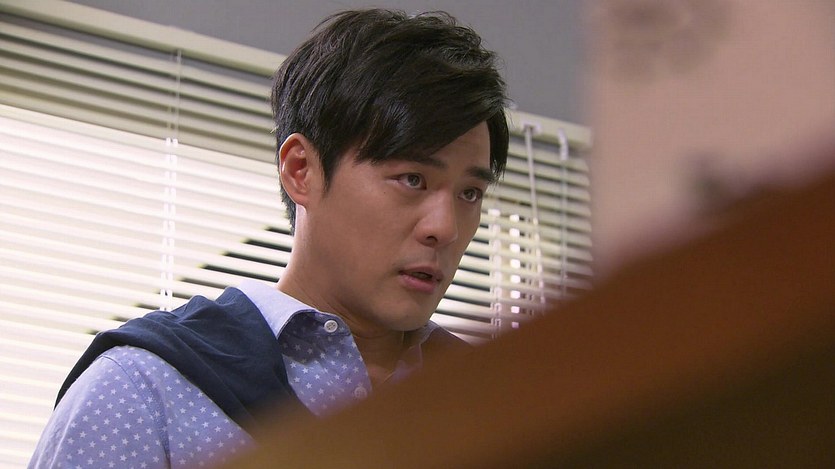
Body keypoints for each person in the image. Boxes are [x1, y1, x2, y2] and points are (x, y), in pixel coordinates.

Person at [28, 8, 509, 468]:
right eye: (412, 180)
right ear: (301, 170)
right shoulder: (143, 389)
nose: (445, 228)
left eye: (470, 193)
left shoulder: (501, 399)